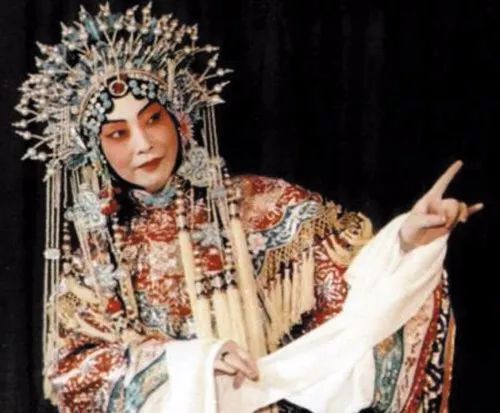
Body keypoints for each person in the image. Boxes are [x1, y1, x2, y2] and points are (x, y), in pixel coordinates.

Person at [14, 3, 482, 412]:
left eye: (152, 119)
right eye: (118, 134)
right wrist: (194, 363)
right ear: (96, 151)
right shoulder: (96, 260)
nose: (143, 144)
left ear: (179, 119)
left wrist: (406, 244)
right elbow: (76, 373)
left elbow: (357, 306)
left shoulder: (265, 205)